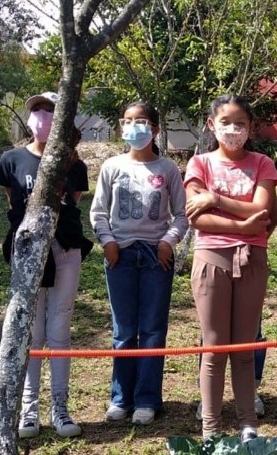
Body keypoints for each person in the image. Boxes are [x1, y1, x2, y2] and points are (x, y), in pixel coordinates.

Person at [184, 94, 277, 443]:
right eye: (225, 122)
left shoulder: (262, 164)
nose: (233, 129)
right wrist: (242, 225)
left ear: (251, 126)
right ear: (212, 124)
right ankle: (210, 428)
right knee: (214, 347)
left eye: (240, 123)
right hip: (211, 258)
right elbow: (197, 217)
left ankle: (247, 425)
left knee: (243, 345)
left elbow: (264, 213)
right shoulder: (199, 164)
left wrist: (216, 199)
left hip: (252, 260)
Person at [0, 91, 92, 439]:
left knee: (59, 330)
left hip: (65, 250)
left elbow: (73, 205)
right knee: (31, 333)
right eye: (37, 110)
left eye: (50, 111)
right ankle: (28, 411)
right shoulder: (11, 159)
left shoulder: (75, 164)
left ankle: (61, 407)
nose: (42, 116)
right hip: (26, 253)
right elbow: (13, 204)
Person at [90, 102, 188, 426]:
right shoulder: (112, 166)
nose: (135, 127)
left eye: (142, 121)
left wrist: (167, 242)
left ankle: (147, 399)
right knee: (123, 331)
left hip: (156, 257)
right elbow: (98, 211)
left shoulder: (168, 169)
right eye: (129, 121)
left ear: (155, 129)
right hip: (120, 254)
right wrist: (108, 242)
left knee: (152, 330)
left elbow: (181, 215)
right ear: (121, 126)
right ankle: (121, 398)